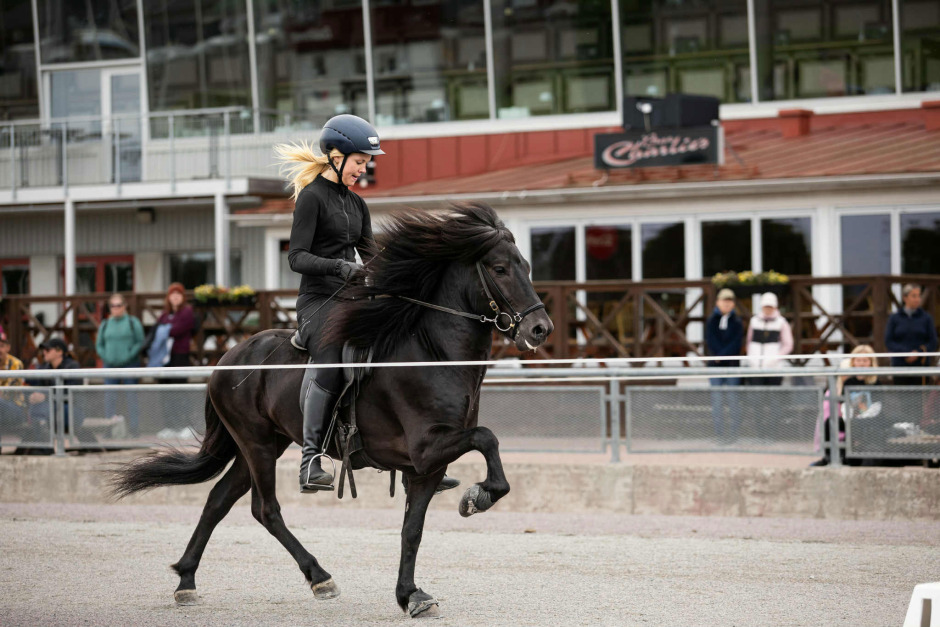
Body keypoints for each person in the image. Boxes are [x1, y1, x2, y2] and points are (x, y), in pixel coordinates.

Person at [278, 114, 459, 495]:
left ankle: (416, 453)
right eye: (360, 161)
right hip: (316, 302)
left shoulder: (358, 205)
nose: (363, 168)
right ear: (335, 155)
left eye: (366, 163)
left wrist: (397, 283)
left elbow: (371, 256)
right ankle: (311, 458)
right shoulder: (311, 198)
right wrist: (339, 267)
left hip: (350, 298)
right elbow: (296, 257)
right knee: (331, 353)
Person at [811, 345, 879, 466]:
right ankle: (829, 457)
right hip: (851, 418)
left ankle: (856, 458)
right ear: (853, 362)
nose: (862, 364)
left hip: (870, 420)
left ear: (871, 362)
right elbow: (844, 404)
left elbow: (877, 406)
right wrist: (850, 417)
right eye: (858, 360)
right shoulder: (848, 382)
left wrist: (861, 418)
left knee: (861, 428)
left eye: (865, 360)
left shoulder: (876, 383)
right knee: (829, 423)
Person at [96, 294, 144, 437]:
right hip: (110, 365)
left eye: (118, 305)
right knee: (110, 397)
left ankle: (134, 429)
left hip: (130, 364)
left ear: (124, 306)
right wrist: (106, 356)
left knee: (131, 396)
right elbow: (99, 344)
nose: (115, 308)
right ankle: (109, 429)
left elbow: (140, 341)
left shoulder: (132, 322)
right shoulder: (105, 324)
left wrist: (129, 355)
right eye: (112, 305)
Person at [27, 337, 87, 449]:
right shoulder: (44, 367)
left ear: (59, 352)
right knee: (36, 407)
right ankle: (41, 445)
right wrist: (33, 395)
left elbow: (69, 393)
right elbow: (31, 380)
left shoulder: (72, 366)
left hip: (72, 411)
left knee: (44, 409)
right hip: (50, 409)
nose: (44, 352)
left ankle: (44, 446)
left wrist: (45, 396)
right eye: (43, 350)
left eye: (48, 350)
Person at [705, 288, 743, 442]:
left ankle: (734, 433)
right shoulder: (711, 320)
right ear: (717, 303)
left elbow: (736, 342)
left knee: (733, 399)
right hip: (715, 365)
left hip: (731, 364)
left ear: (733, 304)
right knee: (717, 399)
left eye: (729, 301)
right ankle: (719, 433)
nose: (726, 304)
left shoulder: (737, 322)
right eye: (723, 301)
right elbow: (710, 340)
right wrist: (718, 356)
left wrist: (723, 355)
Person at [885, 284, 938, 386]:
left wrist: (918, 353)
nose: (917, 299)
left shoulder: (926, 318)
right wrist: (905, 353)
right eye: (914, 296)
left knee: (920, 398)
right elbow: (889, 341)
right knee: (902, 397)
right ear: (905, 298)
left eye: (919, 296)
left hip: (921, 365)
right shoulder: (895, 318)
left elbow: (933, 341)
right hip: (900, 365)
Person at [148, 282, 196, 384]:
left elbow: (177, 330)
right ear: (168, 297)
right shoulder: (165, 313)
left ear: (183, 297)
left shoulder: (187, 311)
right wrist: (167, 328)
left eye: (178, 294)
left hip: (180, 354)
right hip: (164, 355)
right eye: (173, 294)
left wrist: (165, 329)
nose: (175, 297)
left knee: (178, 386)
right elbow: (157, 328)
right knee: (164, 386)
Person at [745, 292, 793, 386]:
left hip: (774, 368)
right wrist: (751, 358)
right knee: (757, 396)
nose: (768, 309)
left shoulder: (781, 322)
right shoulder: (754, 321)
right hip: (755, 367)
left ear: (775, 307)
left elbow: (788, 344)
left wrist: (775, 358)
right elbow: (749, 341)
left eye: (770, 306)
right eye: (766, 306)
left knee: (773, 397)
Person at [0, 332, 27, 450]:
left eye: (1, 346)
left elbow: (6, 393)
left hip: (15, 408)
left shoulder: (15, 363)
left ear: (8, 347)